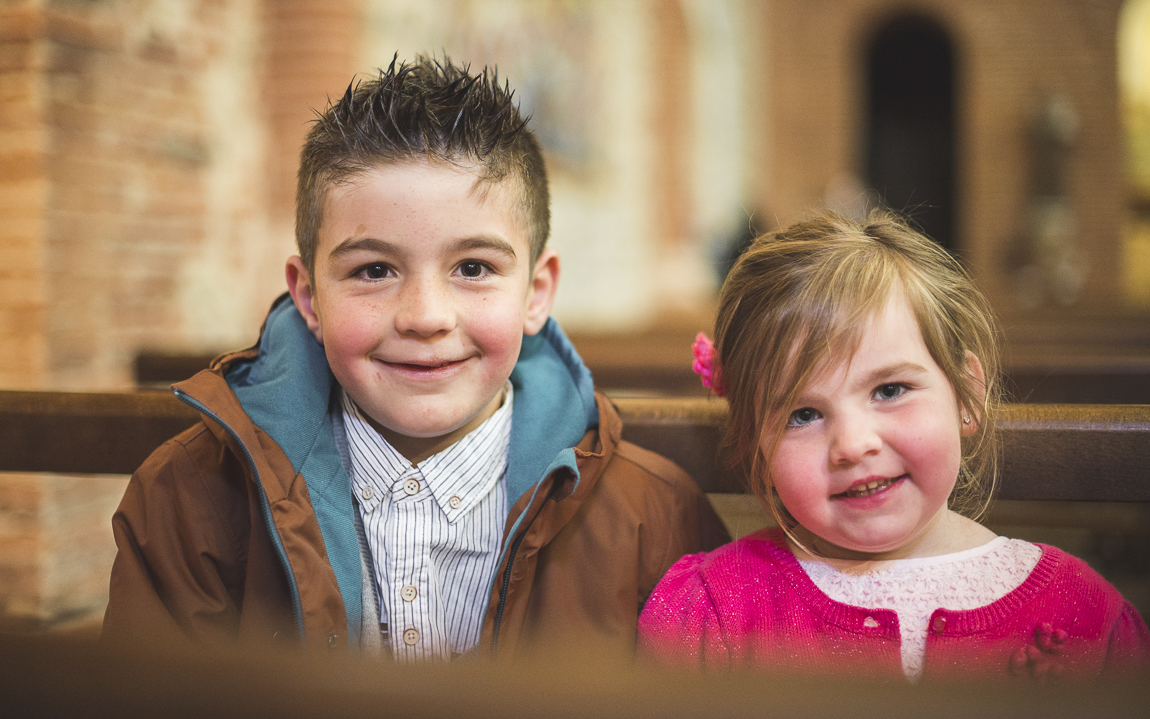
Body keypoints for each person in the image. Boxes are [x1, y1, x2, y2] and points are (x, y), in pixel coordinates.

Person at [103, 56, 728, 661]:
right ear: (309, 296)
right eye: (374, 270)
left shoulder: (655, 519)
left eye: (474, 268)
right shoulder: (188, 500)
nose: (426, 316)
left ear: (536, 293)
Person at [638, 211, 1150, 681]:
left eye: (889, 390)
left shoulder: (1083, 612)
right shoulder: (713, 612)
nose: (853, 445)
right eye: (803, 414)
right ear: (758, 445)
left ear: (966, 394)